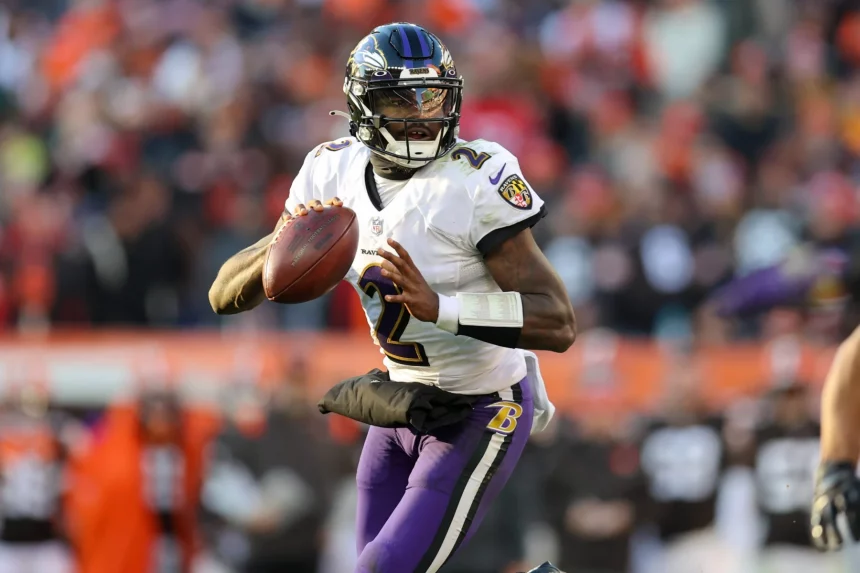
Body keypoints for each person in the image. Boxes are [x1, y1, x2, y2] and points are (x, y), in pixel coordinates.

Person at [209, 21, 575, 573]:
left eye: (432, 98)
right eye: (400, 101)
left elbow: (558, 320)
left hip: (484, 406)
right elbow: (223, 295)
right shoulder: (331, 172)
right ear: (361, 107)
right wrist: (289, 248)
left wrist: (443, 309)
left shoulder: (474, 179)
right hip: (401, 405)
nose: (422, 114)